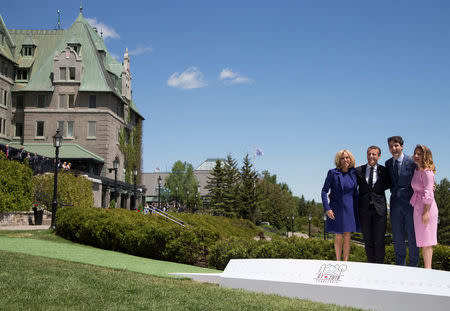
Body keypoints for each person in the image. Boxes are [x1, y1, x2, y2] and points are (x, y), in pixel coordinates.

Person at [385, 136, 419, 266]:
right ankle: (400, 267)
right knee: (398, 238)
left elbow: (424, 173)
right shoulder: (388, 163)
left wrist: (432, 184)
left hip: (410, 204)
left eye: (396, 146)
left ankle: (414, 267)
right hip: (394, 205)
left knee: (412, 237)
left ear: (402, 146)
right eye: (391, 146)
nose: (394, 149)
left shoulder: (411, 162)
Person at [321, 149, 360, 261]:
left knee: (348, 236)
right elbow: (324, 191)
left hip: (350, 208)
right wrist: (327, 208)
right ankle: (338, 262)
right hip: (336, 208)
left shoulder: (354, 173)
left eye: (347, 157)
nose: (345, 160)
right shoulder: (332, 173)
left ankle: (345, 262)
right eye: (342, 158)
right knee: (338, 235)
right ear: (339, 160)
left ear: (350, 159)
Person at [355, 146, 390, 263]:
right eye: (369, 154)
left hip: (379, 210)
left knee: (379, 240)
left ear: (379, 156)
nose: (371, 156)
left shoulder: (384, 171)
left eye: (374, 154)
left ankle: (380, 267)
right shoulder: (359, 170)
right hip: (364, 210)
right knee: (368, 240)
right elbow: (349, 184)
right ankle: (370, 266)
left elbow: (394, 184)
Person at [410, 145, 438, 269]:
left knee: (427, 241)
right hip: (417, 207)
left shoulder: (427, 172)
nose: (416, 156)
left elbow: (429, 192)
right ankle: (427, 269)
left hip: (427, 208)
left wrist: (426, 212)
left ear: (425, 156)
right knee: (422, 241)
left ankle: (428, 270)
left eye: (419, 154)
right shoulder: (417, 171)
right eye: (415, 153)